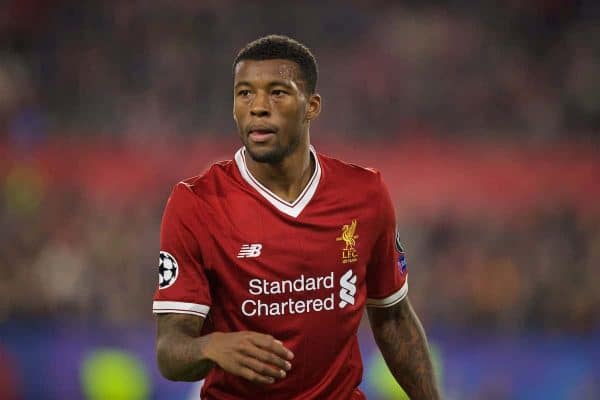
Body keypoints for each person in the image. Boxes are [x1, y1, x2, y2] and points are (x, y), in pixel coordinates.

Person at [153, 34, 440, 400]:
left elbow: (393, 318)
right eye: (244, 93)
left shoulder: (365, 194)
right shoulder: (196, 204)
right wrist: (211, 347)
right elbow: (170, 349)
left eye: (277, 92)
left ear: (312, 106)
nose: (258, 106)